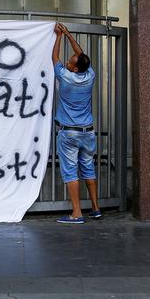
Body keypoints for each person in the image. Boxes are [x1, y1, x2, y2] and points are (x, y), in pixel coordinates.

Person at [51, 22, 101, 224]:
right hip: (87, 133)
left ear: (74, 68)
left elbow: (54, 58)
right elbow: (81, 56)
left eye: (71, 62)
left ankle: (77, 213)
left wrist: (59, 36)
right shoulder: (90, 75)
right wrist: (69, 34)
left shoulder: (66, 76)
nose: (68, 62)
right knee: (88, 168)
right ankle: (96, 209)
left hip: (69, 134)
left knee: (71, 171)